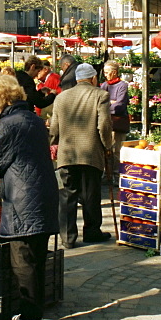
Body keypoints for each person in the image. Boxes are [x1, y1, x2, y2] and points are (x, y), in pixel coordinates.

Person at [0, 75, 58, 320]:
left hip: (23, 201)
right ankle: (31, 312)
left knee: (22, 260)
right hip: (43, 195)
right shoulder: (33, 119)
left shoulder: (7, 125)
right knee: (36, 257)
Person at [50, 63, 114, 249]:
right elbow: (104, 125)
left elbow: (54, 129)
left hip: (67, 154)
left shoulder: (61, 98)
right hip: (90, 153)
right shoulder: (100, 95)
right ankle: (91, 232)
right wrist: (107, 146)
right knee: (90, 195)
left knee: (67, 195)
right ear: (93, 78)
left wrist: (54, 144)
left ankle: (68, 237)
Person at [99, 61, 130, 179]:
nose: (105, 75)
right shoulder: (104, 86)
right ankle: (107, 174)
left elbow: (119, 106)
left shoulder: (122, 85)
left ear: (114, 72)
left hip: (118, 123)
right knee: (106, 150)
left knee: (117, 151)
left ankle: (116, 175)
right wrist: (111, 103)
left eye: (107, 72)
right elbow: (100, 103)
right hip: (106, 122)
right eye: (104, 72)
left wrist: (107, 105)